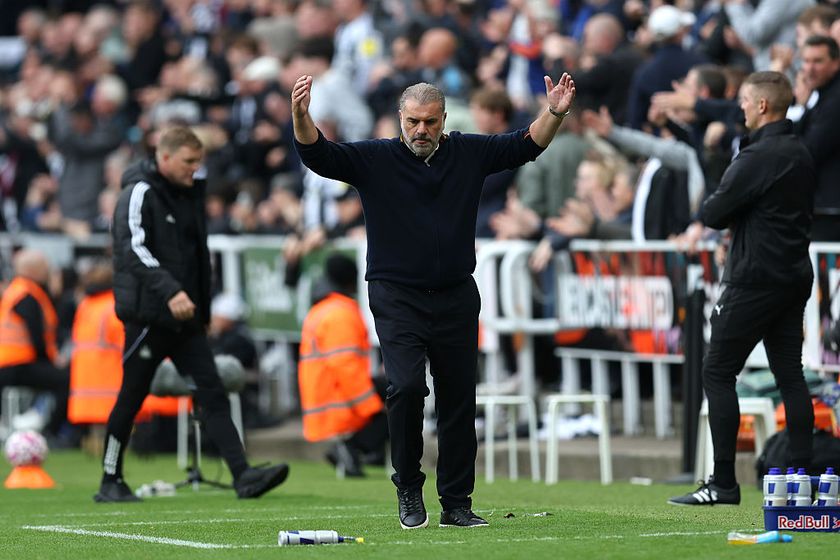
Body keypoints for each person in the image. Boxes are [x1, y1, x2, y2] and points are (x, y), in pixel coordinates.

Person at [292, 71, 575, 528]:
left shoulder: (468, 150)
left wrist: (556, 112)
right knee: (405, 388)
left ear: (444, 119)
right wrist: (301, 118)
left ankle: (457, 503)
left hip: (456, 294)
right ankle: (407, 484)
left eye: (429, 121)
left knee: (459, 399)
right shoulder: (375, 158)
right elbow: (317, 155)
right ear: (398, 120)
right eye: (412, 122)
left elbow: (526, 145)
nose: (420, 131)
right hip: (395, 294)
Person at [95, 126, 289, 503]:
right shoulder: (139, 192)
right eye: (188, 161)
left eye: (198, 162)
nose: (195, 169)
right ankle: (109, 479)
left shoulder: (188, 194)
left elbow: (198, 258)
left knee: (212, 392)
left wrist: (201, 309)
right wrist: (171, 291)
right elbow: (130, 249)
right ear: (163, 157)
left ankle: (242, 475)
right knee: (132, 397)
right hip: (148, 317)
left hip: (186, 318)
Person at [668, 71, 816, 506]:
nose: (742, 109)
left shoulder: (759, 155)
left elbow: (714, 210)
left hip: (754, 278)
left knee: (717, 371)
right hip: (793, 274)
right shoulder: (801, 151)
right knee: (790, 375)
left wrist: (718, 165)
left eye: (746, 102)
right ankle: (805, 478)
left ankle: (723, 482)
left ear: (763, 106)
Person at [298, 253, 387, 477]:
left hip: (324, 397)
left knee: (393, 390)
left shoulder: (321, 309)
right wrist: (370, 407)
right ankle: (353, 447)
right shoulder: (341, 313)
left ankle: (357, 450)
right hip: (337, 399)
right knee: (399, 398)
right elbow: (345, 367)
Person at [0, 249, 69, 439]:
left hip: (10, 363)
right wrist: (53, 361)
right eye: (45, 267)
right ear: (34, 270)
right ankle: (51, 432)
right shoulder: (27, 295)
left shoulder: (18, 291)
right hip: (17, 365)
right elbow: (38, 338)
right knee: (67, 380)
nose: (48, 271)